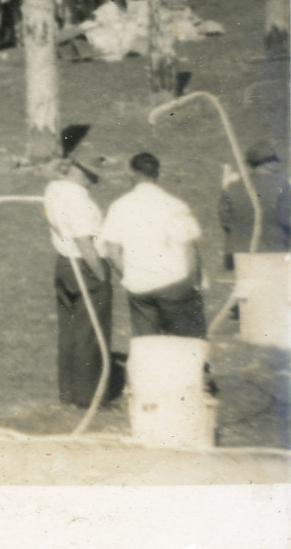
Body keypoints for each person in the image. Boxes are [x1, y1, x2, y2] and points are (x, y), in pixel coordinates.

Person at [99, 151, 207, 339]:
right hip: (175, 284)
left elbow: (112, 251)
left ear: (131, 173)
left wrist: (130, 275)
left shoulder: (119, 206)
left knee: (146, 344)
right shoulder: (174, 205)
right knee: (186, 343)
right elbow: (189, 249)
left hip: (139, 287)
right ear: (157, 173)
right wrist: (194, 283)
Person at [45, 155, 112, 406]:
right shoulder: (79, 201)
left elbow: (49, 176)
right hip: (85, 265)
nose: (93, 183)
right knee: (89, 333)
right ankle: (88, 397)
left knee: (69, 330)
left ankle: (68, 392)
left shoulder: (54, 188)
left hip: (64, 263)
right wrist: (102, 277)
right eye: (92, 177)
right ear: (83, 173)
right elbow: (85, 242)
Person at [218, 141, 291, 270]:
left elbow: (225, 220)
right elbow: (287, 220)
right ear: (268, 163)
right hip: (273, 251)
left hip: (238, 254)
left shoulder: (233, 186)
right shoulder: (283, 186)